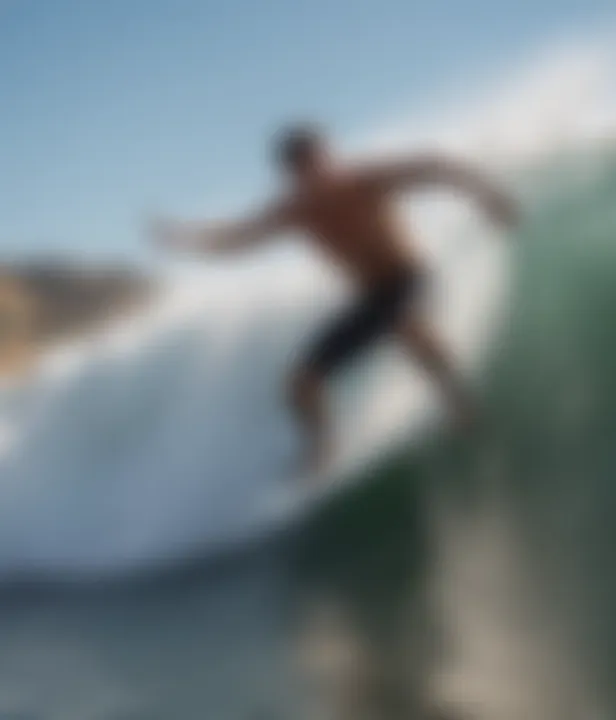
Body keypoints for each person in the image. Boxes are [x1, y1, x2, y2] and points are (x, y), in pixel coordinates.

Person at [149, 124, 519, 476]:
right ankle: (321, 448)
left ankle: (459, 403)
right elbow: (237, 239)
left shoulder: (366, 179)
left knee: (406, 326)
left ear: (330, 155)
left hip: (410, 277)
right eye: (306, 169)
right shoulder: (294, 211)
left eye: (322, 161)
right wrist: (184, 240)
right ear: (292, 176)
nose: (320, 174)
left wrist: (488, 196)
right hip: (372, 296)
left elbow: (435, 167)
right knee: (299, 382)